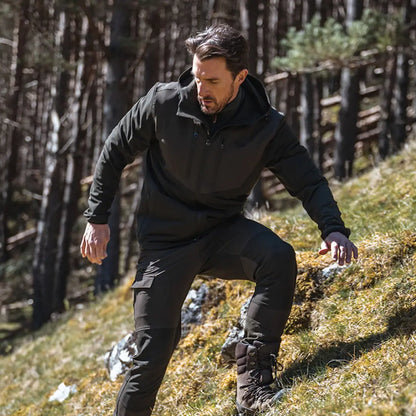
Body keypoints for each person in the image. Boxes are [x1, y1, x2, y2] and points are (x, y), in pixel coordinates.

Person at [80, 24, 358, 416]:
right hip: (165, 245)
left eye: (212, 80)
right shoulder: (163, 104)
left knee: (278, 258)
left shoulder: (266, 125)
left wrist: (332, 227)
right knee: (154, 350)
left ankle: (253, 387)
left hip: (221, 235)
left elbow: (307, 181)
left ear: (240, 78)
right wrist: (97, 218)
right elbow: (113, 151)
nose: (201, 89)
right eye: (196, 77)